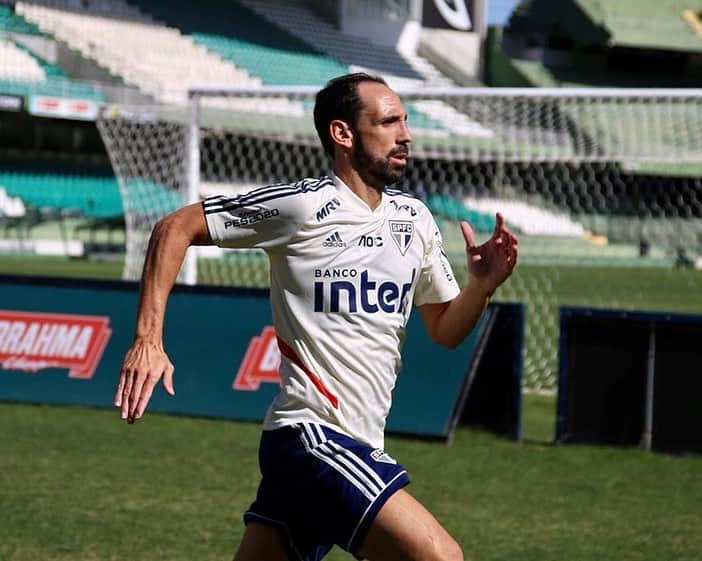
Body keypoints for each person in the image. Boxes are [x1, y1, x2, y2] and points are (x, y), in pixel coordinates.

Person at [114, 73, 518, 561]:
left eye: (405, 122)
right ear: (343, 134)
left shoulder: (416, 220)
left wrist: (481, 286)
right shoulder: (303, 205)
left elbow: (446, 329)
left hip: (356, 441)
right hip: (310, 437)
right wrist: (147, 339)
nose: (406, 135)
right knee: (439, 558)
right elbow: (175, 227)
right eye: (389, 122)